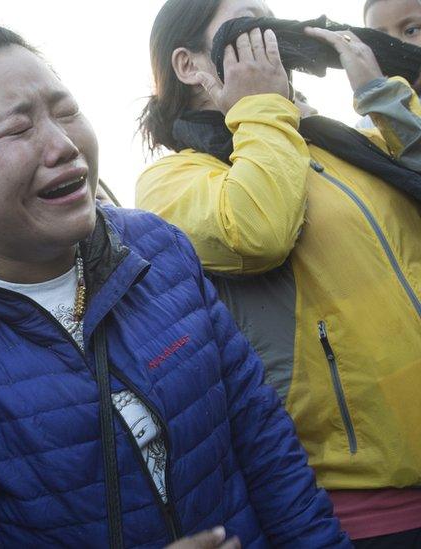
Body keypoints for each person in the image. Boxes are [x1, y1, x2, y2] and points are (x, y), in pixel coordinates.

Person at [0, 22, 347, 548]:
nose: (63, 145)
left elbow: (264, 443)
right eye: (17, 129)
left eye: (66, 112)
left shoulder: (159, 249)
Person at [136, 0, 421, 546]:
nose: (272, 34)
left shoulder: (334, 141)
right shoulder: (171, 179)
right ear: (190, 65)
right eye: (248, 23)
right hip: (363, 505)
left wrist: (383, 96)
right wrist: (263, 106)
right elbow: (257, 231)